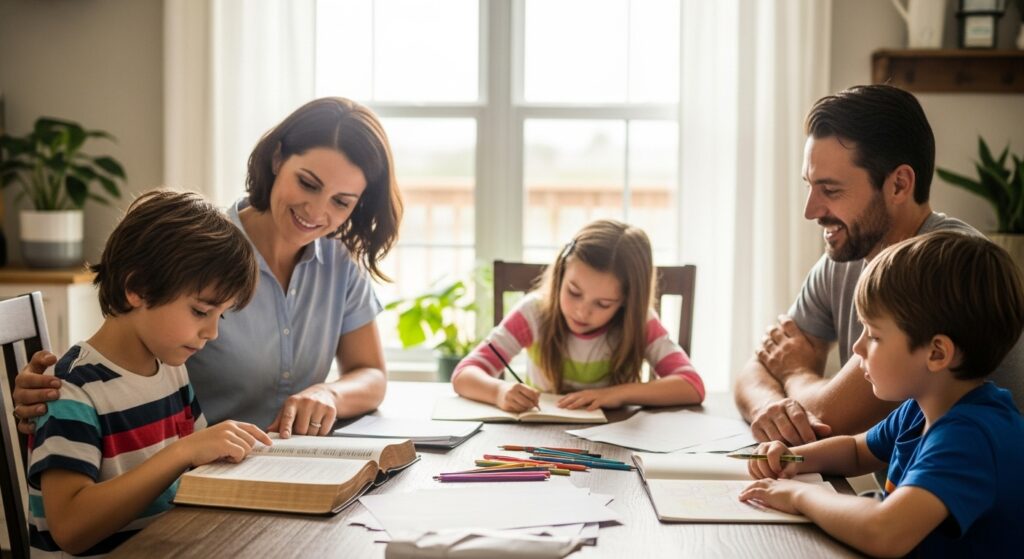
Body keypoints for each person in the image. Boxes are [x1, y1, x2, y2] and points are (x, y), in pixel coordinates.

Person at [12, 97, 403, 439]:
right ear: (278, 157)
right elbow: (122, 347)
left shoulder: (339, 263)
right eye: (308, 183)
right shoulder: (203, 249)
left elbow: (371, 374)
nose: (318, 212)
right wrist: (61, 388)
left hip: (291, 466)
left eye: (342, 202)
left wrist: (327, 393)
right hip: (193, 475)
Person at [732, 84, 1023, 445]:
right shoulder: (848, 253)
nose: (811, 211)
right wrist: (770, 407)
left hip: (966, 496)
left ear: (899, 185)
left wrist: (792, 371)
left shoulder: (941, 269)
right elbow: (756, 368)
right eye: (809, 186)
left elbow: (830, 418)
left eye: (831, 190)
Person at [738, 231, 1024, 557]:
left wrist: (797, 496)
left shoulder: (971, 437)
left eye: (873, 336)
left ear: (936, 354)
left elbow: (883, 531)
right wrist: (793, 458)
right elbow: (856, 451)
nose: (858, 348)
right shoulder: (921, 408)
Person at [28, 190, 273, 556]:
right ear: (137, 288)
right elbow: (70, 528)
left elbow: (199, 470)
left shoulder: (171, 371)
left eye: (220, 315)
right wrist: (183, 453)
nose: (213, 332)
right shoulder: (74, 390)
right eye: (200, 311)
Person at [452, 219, 705, 412]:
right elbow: (465, 374)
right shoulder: (533, 313)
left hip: (614, 447)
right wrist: (499, 391)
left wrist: (617, 394)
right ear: (561, 274)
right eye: (574, 292)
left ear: (627, 302)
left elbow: (691, 385)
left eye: (604, 303)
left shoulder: (640, 323)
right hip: (538, 445)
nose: (582, 311)